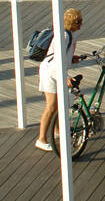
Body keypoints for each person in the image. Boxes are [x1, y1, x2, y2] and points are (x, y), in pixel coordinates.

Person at [36, 8, 85, 152]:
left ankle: (57, 131)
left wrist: (72, 59)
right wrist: (67, 78)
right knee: (51, 106)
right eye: (78, 21)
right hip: (50, 72)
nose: (81, 24)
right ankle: (41, 139)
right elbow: (57, 62)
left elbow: (63, 58)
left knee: (58, 104)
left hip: (55, 71)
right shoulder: (63, 36)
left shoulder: (69, 35)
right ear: (73, 23)